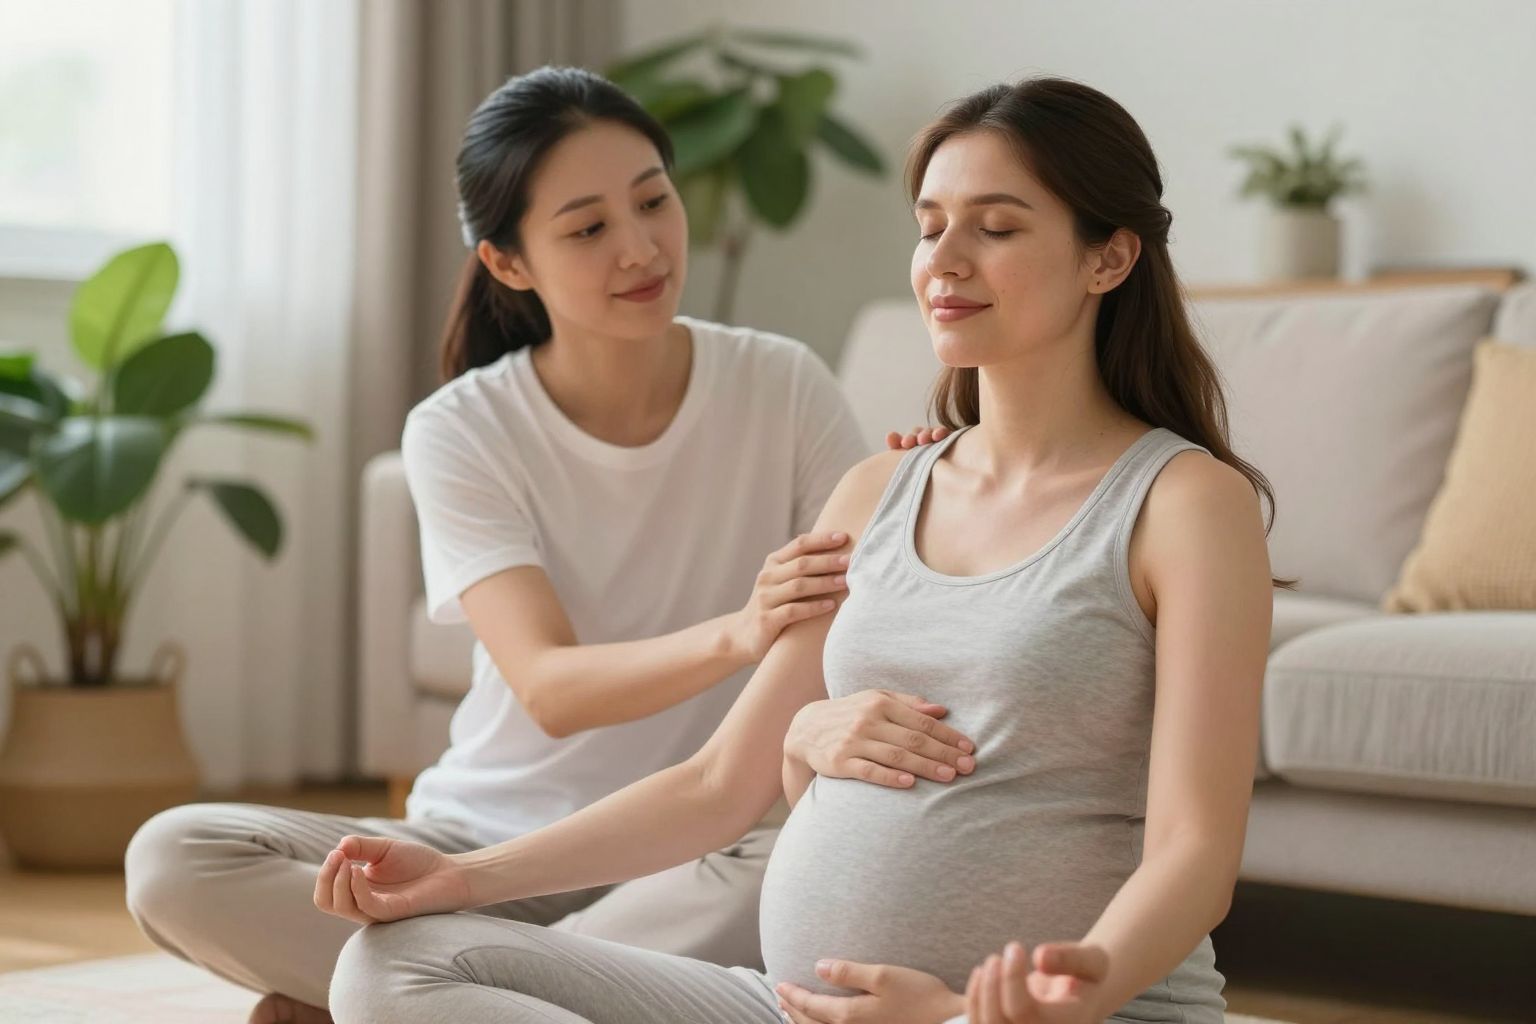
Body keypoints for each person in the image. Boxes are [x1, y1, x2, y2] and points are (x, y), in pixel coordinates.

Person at [314, 76, 1280, 1024]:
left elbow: (1194, 855)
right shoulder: (875, 491)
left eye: (996, 226)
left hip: (1056, 1019)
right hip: (794, 1007)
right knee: (395, 966)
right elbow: (717, 784)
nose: (943, 259)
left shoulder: (1186, 504)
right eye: (929, 222)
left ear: (1107, 259)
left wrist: (1017, 1006)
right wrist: (462, 877)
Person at [125, 65, 951, 1024]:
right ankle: (487, 987)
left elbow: (865, 597)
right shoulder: (463, 427)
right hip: (479, 844)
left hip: (693, 851)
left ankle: (422, 993)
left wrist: (927, 491)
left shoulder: (782, 383)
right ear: (509, 262)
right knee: (176, 856)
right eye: (589, 227)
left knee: (801, 851)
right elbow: (551, 689)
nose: (641, 248)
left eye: (654, 201)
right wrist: (740, 630)